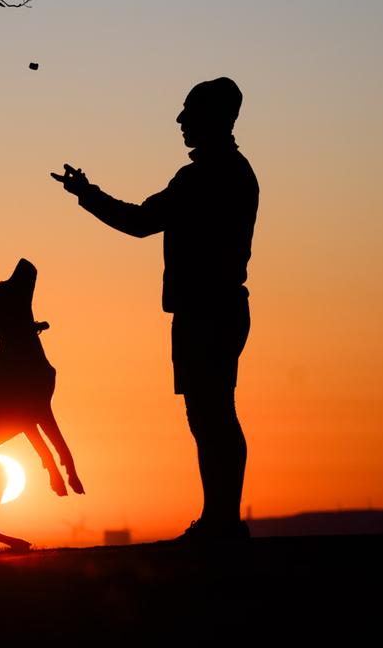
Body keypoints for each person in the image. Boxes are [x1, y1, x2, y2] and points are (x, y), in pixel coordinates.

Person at [52, 77, 258, 540]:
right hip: (214, 308)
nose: (180, 121)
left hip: (207, 312)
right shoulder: (231, 172)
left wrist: (87, 195)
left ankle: (221, 521)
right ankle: (220, 518)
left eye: (189, 111)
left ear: (213, 118)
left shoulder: (205, 177)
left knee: (212, 415)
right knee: (211, 414)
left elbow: (140, 221)